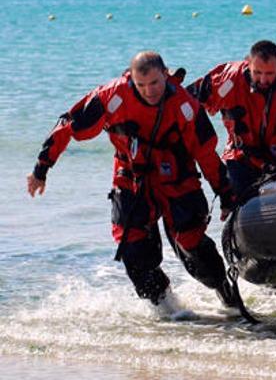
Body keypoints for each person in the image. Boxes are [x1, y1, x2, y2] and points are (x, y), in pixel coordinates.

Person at [26, 51, 238, 309]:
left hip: (177, 178)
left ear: (165, 75)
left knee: (192, 244)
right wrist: (41, 169)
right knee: (133, 253)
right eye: (141, 85)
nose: (149, 91)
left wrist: (226, 195)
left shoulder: (185, 105)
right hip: (132, 180)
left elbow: (206, 155)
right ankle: (170, 310)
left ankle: (226, 293)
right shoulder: (111, 96)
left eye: (155, 84)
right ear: (131, 80)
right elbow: (68, 126)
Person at [187, 40, 276, 198]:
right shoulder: (228, 80)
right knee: (237, 199)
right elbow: (189, 102)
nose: (263, 80)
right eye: (257, 73)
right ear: (248, 63)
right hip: (242, 156)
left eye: (269, 74)